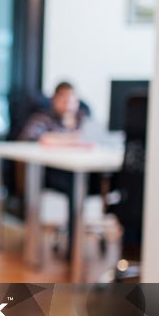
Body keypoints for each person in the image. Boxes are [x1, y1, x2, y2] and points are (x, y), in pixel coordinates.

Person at [18, 81, 100, 260]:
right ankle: (73, 246)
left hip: (83, 171)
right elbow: (32, 137)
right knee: (75, 188)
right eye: (63, 98)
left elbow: (96, 140)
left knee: (106, 183)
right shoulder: (43, 118)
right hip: (54, 173)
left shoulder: (84, 119)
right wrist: (69, 139)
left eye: (72, 99)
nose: (68, 103)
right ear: (54, 100)